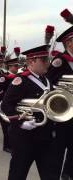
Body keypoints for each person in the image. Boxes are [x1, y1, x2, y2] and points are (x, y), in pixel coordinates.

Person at [1, 44, 64, 180]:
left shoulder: (46, 79)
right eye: (44, 60)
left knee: (50, 175)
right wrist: (21, 122)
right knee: (18, 174)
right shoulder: (20, 80)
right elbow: (6, 104)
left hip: (46, 137)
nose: (48, 63)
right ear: (31, 61)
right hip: (25, 139)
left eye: (47, 59)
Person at [46, 25, 73, 180]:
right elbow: (49, 84)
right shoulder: (59, 61)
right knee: (59, 146)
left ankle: (68, 172)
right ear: (69, 42)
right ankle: (54, 175)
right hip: (63, 110)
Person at [0, 57, 20, 153]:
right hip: (4, 105)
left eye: (17, 66)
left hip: (14, 105)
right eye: (15, 66)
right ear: (10, 67)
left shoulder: (18, 77)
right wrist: (5, 96)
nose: (17, 68)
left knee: (13, 126)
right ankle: (6, 146)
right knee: (6, 127)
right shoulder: (5, 77)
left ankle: (13, 144)